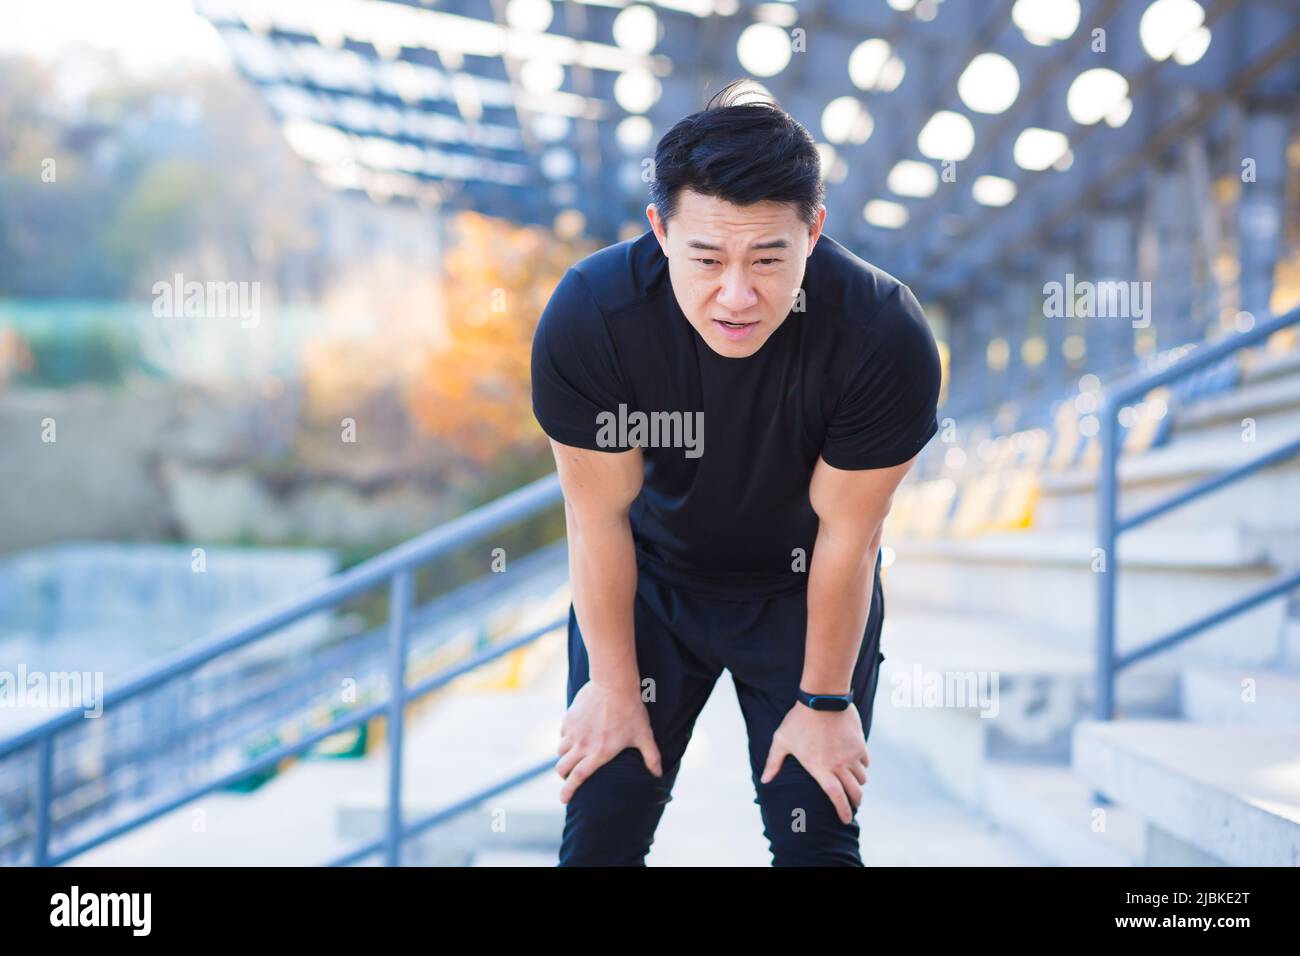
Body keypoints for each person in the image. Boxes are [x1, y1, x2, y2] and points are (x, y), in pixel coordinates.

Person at [529, 80, 942, 866]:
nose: (737, 295)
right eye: (707, 257)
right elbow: (596, 518)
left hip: (801, 595)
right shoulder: (593, 316)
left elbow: (848, 538)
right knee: (600, 835)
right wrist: (613, 687)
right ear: (659, 229)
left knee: (815, 839)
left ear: (813, 232)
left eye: (767, 258)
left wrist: (824, 698)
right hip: (648, 585)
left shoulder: (881, 334)